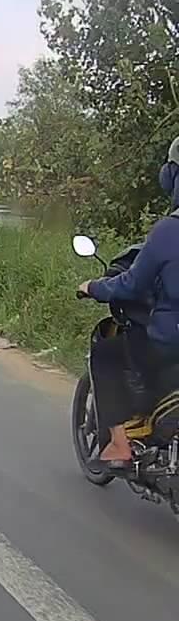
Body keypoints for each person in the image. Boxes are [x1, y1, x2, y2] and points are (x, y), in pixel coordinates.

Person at [80, 141, 179, 466]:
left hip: (169, 345)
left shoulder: (168, 231)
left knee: (106, 351)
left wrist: (93, 287)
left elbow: (131, 284)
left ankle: (120, 445)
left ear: (171, 175)